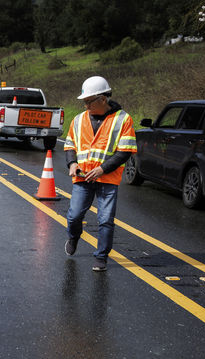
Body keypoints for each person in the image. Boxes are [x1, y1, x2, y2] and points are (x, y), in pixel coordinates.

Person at [63, 76, 137, 272]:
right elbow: (70, 144)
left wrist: (102, 169)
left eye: (89, 101)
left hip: (107, 178)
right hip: (82, 177)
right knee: (74, 216)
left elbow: (125, 151)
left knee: (105, 220)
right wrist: (72, 163)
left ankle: (101, 257)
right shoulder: (78, 120)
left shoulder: (123, 120)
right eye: (84, 102)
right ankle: (74, 236)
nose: (86, 106)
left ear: (103, 99)